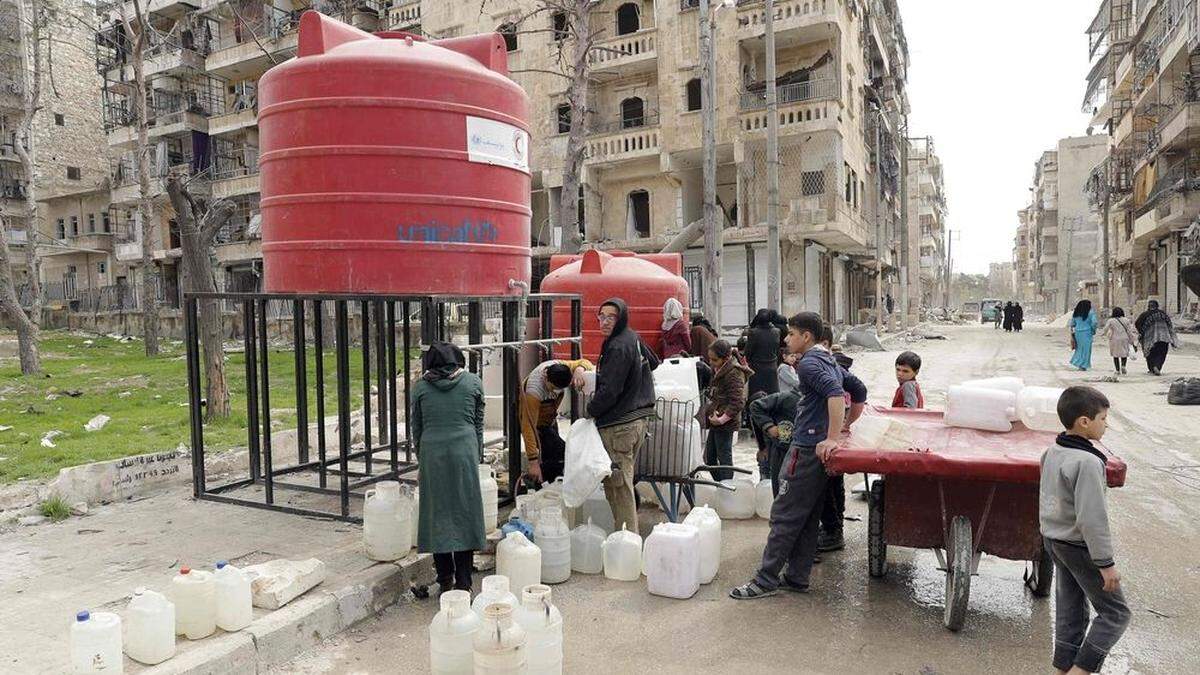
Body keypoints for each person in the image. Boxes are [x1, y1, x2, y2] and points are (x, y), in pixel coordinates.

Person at [729, 312, 850, 599]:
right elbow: (856, 389)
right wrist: (843, 429)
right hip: (815, 448)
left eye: (791, 334)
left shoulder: (809, 363)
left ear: (806, 337)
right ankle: (796, 577)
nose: (785, 339)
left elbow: (835, 393)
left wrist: (833, 437)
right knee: (807, 516)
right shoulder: (828, 358)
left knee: (783, 514)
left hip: (806, 449)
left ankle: (765, 580)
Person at [1040, 386, 1130, 674]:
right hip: (1079, 546)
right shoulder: (1088, 462)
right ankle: (1080, 671)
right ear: (1084, 421)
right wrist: (1106, 564)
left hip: (1055, 540)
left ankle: (1063, 670)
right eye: (1103, 419)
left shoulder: (1052, 451)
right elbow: (1093, 518)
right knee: (1116, 614)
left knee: (1071, 611)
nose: (1107, 425)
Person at [411, 342, 486, 594]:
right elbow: (478, 423)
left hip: (432, 453)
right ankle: (464, 584)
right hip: (464, 450)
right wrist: (476, 454)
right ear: (458, 361)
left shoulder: (421, 387)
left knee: (437, 514)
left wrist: (421, 459)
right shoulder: (473, 382)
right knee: (465, 513)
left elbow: (417, 428)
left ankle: (444, 580)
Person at [587, 298, 659, 536]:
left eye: (611, 317)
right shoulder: (633, 337)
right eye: (602, 316)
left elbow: (610, 391)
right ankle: (626, 538)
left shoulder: (618, 346)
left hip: (620, 425)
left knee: (619, 488)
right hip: (637, 421)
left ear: (621, 318)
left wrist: (590, 410)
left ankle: (627, 540)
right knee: (624, 481)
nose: (605, 322)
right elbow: (655, 362)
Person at [817, 324, 866, 553]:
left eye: (793, 335)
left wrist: (839, 429)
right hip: (827, 437)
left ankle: (832, 530)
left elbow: (855, 391)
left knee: (827, 483)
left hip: (824, 439)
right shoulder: (825, 365)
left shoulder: (824, 366)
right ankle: (832, 528)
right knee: (832, 481)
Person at [519, 357, 593, 484]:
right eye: (553, 388)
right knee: (556, 456)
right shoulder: (534, 391)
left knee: (558, 455)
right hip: (536, 424)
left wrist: (580, 370)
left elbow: (585, 362)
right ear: (546, 377)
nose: (555, 392)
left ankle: (547, 484)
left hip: (549, 419)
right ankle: (537, 483)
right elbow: (528, 427)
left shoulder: (562, 367)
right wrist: (533, 462)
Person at [703, 339, 752, 481]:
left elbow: (737, 402)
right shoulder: (720, 369)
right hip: (716, 419)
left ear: (726, 358)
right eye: (710, 359)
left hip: (725, 422)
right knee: (709, 458)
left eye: (714, 360)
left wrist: (722, 419)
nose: (711, 362)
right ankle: (721, 485)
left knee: (724, 458)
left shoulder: (734, 373)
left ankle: (726, 488)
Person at [1134, 299, 1181, 376]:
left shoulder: (1145, 314)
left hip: (1150, 338)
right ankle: (1157, 367)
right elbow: (1170, 325)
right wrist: (1172, 338)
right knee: (1161, 353)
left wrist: (1142, 332)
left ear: (1149, 306)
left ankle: (1152, 368)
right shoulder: (1163, 314)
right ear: (1157, 306)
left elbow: (1137, 323)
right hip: (1164, 337)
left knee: (1150, 353)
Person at [743, 309, 782, 398]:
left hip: (756, 367)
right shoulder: (776, 331)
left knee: (756, 396)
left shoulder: (753, 332)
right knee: (772, 395)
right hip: (772, 366)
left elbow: (748, 351)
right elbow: (777, 349)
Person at [1101, 307, 1137, 376]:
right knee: (1124, 353)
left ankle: (1117, 370)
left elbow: (1105, 329)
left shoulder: (1111, 320)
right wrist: (1132, 340)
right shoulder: (1126, 320)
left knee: (1115, 355)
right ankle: (1123, 366)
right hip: (1124, 338)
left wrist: (1103, 334)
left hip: (1115, 339)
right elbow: (1129, 330)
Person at [1069, 300, 1099, 371]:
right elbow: (1094, 322)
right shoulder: (1091, 313)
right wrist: (1093, 330)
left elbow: (1072, 323)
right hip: (1087, 333)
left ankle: (1078, 363)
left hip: (1078, 333)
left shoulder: (1076, 313)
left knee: (1079, 349)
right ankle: (1083, 365)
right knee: (1086, 350)